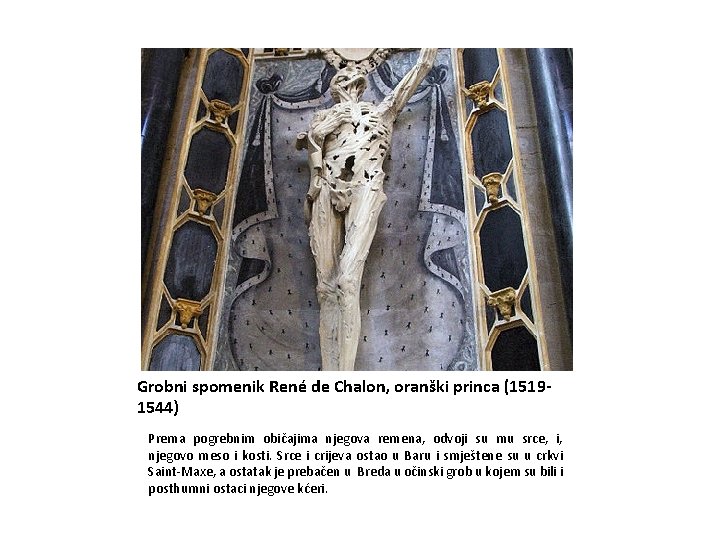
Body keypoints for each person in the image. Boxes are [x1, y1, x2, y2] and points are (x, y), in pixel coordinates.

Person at [300, 48, 438, 371]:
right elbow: (313, 158)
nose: (348, 84)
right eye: (342, 80)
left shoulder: (379, 114)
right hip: (326, 190)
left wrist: (425, 60)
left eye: (353, 81)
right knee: (325, 288)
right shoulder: (322, 119)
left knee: (347, 279)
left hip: (365, 187)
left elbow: (403, 90)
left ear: (361, 87)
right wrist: (317, 137)